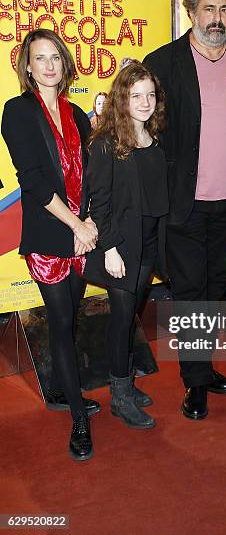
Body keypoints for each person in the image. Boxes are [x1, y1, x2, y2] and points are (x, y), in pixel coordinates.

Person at [144, 0, 226, 420]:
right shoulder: (164, 61)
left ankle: (204, 368)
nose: (217, 18)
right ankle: (195, 382)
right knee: (190, 293)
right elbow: (145, 130)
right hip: (183, 205)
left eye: (225, 9)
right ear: (190, 12)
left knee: (212, 291)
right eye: (208, 8)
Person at [1, 28, 99, 461]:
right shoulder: (17, 112)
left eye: (55, 56)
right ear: (27, 66)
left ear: (65, 62)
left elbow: (94, 175)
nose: (48, 65)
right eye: (39, 58)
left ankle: (63, 389)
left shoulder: (76, 113)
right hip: (51, 236)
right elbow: (34, 183)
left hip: (83, 233)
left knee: (71, 317)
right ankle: (78, 416)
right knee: (59, 322)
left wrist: (91, 220)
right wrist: (77, 225)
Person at [84, 61, 168, 429]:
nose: (145, 102)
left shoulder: (154, 140)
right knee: (120, 320)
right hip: (121, 246)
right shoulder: (107, 144)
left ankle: (126, 383)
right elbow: (97, 203)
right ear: (122, 98)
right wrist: (111, 248)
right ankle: (119, 395)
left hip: (149, 244)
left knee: (131, 314)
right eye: (136, 95)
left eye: (150, 95)